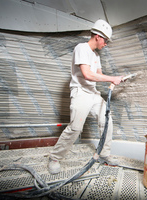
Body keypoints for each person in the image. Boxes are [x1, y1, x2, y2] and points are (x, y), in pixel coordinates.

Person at [48, 19, 123, 174]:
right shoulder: (81, 48)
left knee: (106, 120)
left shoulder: (96, 56)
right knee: (75, 128)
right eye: (106, 40)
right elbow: (87, 74)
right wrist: (111, 79)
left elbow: (99, 75)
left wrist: (115, 78)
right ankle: (54, 157)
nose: (106, 44)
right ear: (98, 36)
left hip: (93, 93)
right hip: (81, 92)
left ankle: (104, 154)